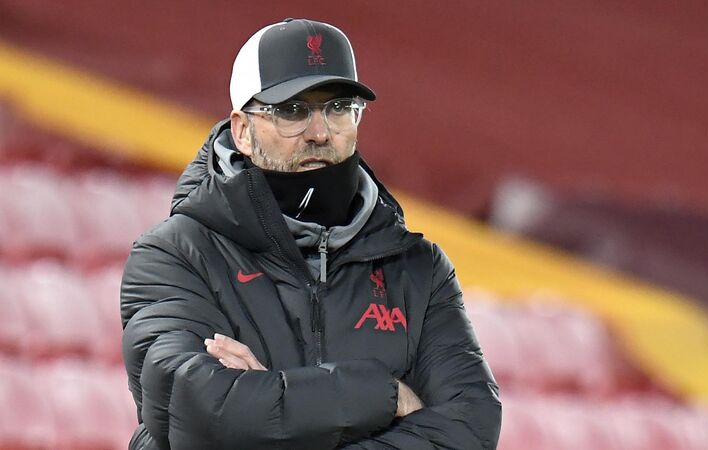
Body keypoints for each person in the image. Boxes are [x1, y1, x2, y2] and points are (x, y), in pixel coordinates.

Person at [120, 18, 501, 449]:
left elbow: (469, 430)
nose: (320, 133)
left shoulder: (419, 270)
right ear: (242, 130)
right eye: (292, 111)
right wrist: (382, 394)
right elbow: (194, 409)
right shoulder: (175, 254)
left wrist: (266, 411)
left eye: (339, 108)